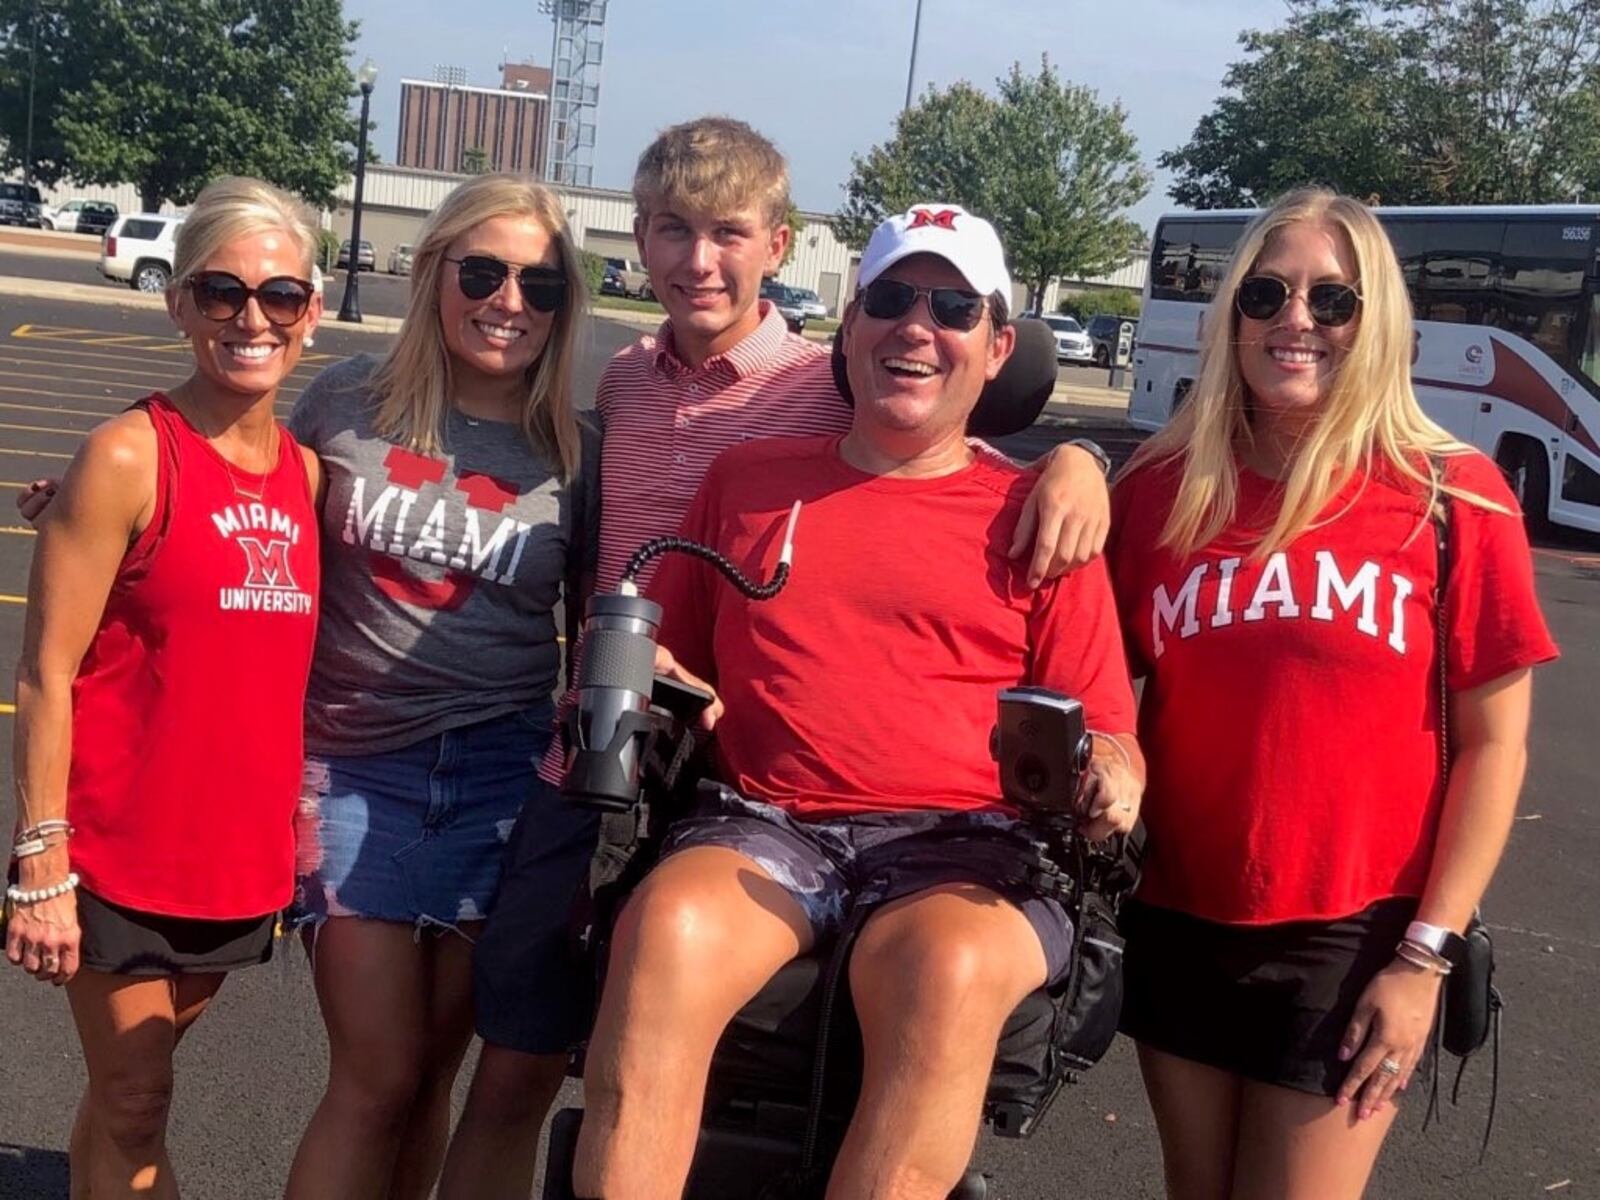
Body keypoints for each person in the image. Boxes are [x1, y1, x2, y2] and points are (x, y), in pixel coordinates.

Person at [440, 118, 1118, 1200]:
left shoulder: (1033, 509)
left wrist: (1079, 460)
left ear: (997, 346)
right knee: (658, 937)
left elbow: (1109, 728)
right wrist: (667, 690)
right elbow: (678, 644)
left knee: (944, 968)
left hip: (957, 839)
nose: (916, 327)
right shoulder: (713, 444)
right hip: (754, 812)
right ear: (850, 327)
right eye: (893, 300)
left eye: (953, 308)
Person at [1105, 187, 1559, 1200]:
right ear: (1232, 318)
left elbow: (1495, 748)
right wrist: (1058, 473)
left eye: (1331, 299)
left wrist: (1423, 959)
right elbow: (1090, 676)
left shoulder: (1453, 497)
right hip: (1178, 913)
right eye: (1264, 294)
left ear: (1377, 320)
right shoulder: (1161, 487)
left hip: (1356, 936)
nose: (1293, 320)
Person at [278, 173, 600, 1200]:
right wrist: (111, 517)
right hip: (353, 771)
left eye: (539, 285)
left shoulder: (572, 454)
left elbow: (595, 624)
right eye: (484, 271)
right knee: (373, 1078)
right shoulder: (344, 401)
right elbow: (244, 516)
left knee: (432, 1080)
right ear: (434, 273)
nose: (509, 301)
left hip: (502, 782)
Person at [5, 176, 323, 1199]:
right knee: (138, 1098)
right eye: (221, 289)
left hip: (235, 857)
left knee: (124, 1092)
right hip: (112, 852)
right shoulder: (129, 454)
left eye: (279, 294)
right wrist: (42, 858)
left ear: (311, 313)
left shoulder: (311, 478)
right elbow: (46, 670)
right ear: (179, 301)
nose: (251, 317)